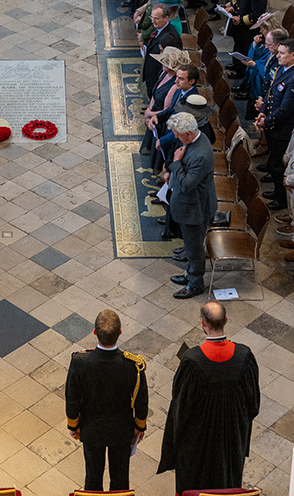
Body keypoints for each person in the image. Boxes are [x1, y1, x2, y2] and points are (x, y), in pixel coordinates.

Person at [158, 302, 260, 493]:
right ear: (226, 321)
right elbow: (252, 405)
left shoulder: (192, 360)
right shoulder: (244, 356)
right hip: (230, 441)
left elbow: (180, 409)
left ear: (203, 324)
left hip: (197, 445)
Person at [65, 309, 147, 492]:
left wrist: (74, 425)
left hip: (92, 428)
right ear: (120, 333)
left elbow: (72, 397)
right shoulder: (132, 365)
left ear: (94, 332)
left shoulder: (80, 361)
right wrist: (139, 426)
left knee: (92, 477)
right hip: (122, 429)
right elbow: (142, 399)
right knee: (120, 479)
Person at [164, 111, 217, 298]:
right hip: (190, 204)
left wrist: (176, 164)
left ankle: (195, 284)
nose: (176, 137)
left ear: (188, 133)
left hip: (196, 209)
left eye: (178, 135)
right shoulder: (192, 140)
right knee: (190, 244)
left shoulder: (201, 154)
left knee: (194, 250)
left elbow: (187, 185)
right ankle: (190, 274)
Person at [255, 38, 294, 210]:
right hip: (271, 121)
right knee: (273, 158)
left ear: (293, 56)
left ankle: (281, 198)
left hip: (283, 127)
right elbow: (270, 92)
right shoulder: (281, 68)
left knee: (279, 164)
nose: (277, 55)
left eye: (282, 53)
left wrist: (267, 121)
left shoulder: (293, 78)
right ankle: (274, 181)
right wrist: (263, 110)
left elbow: (286, 108)